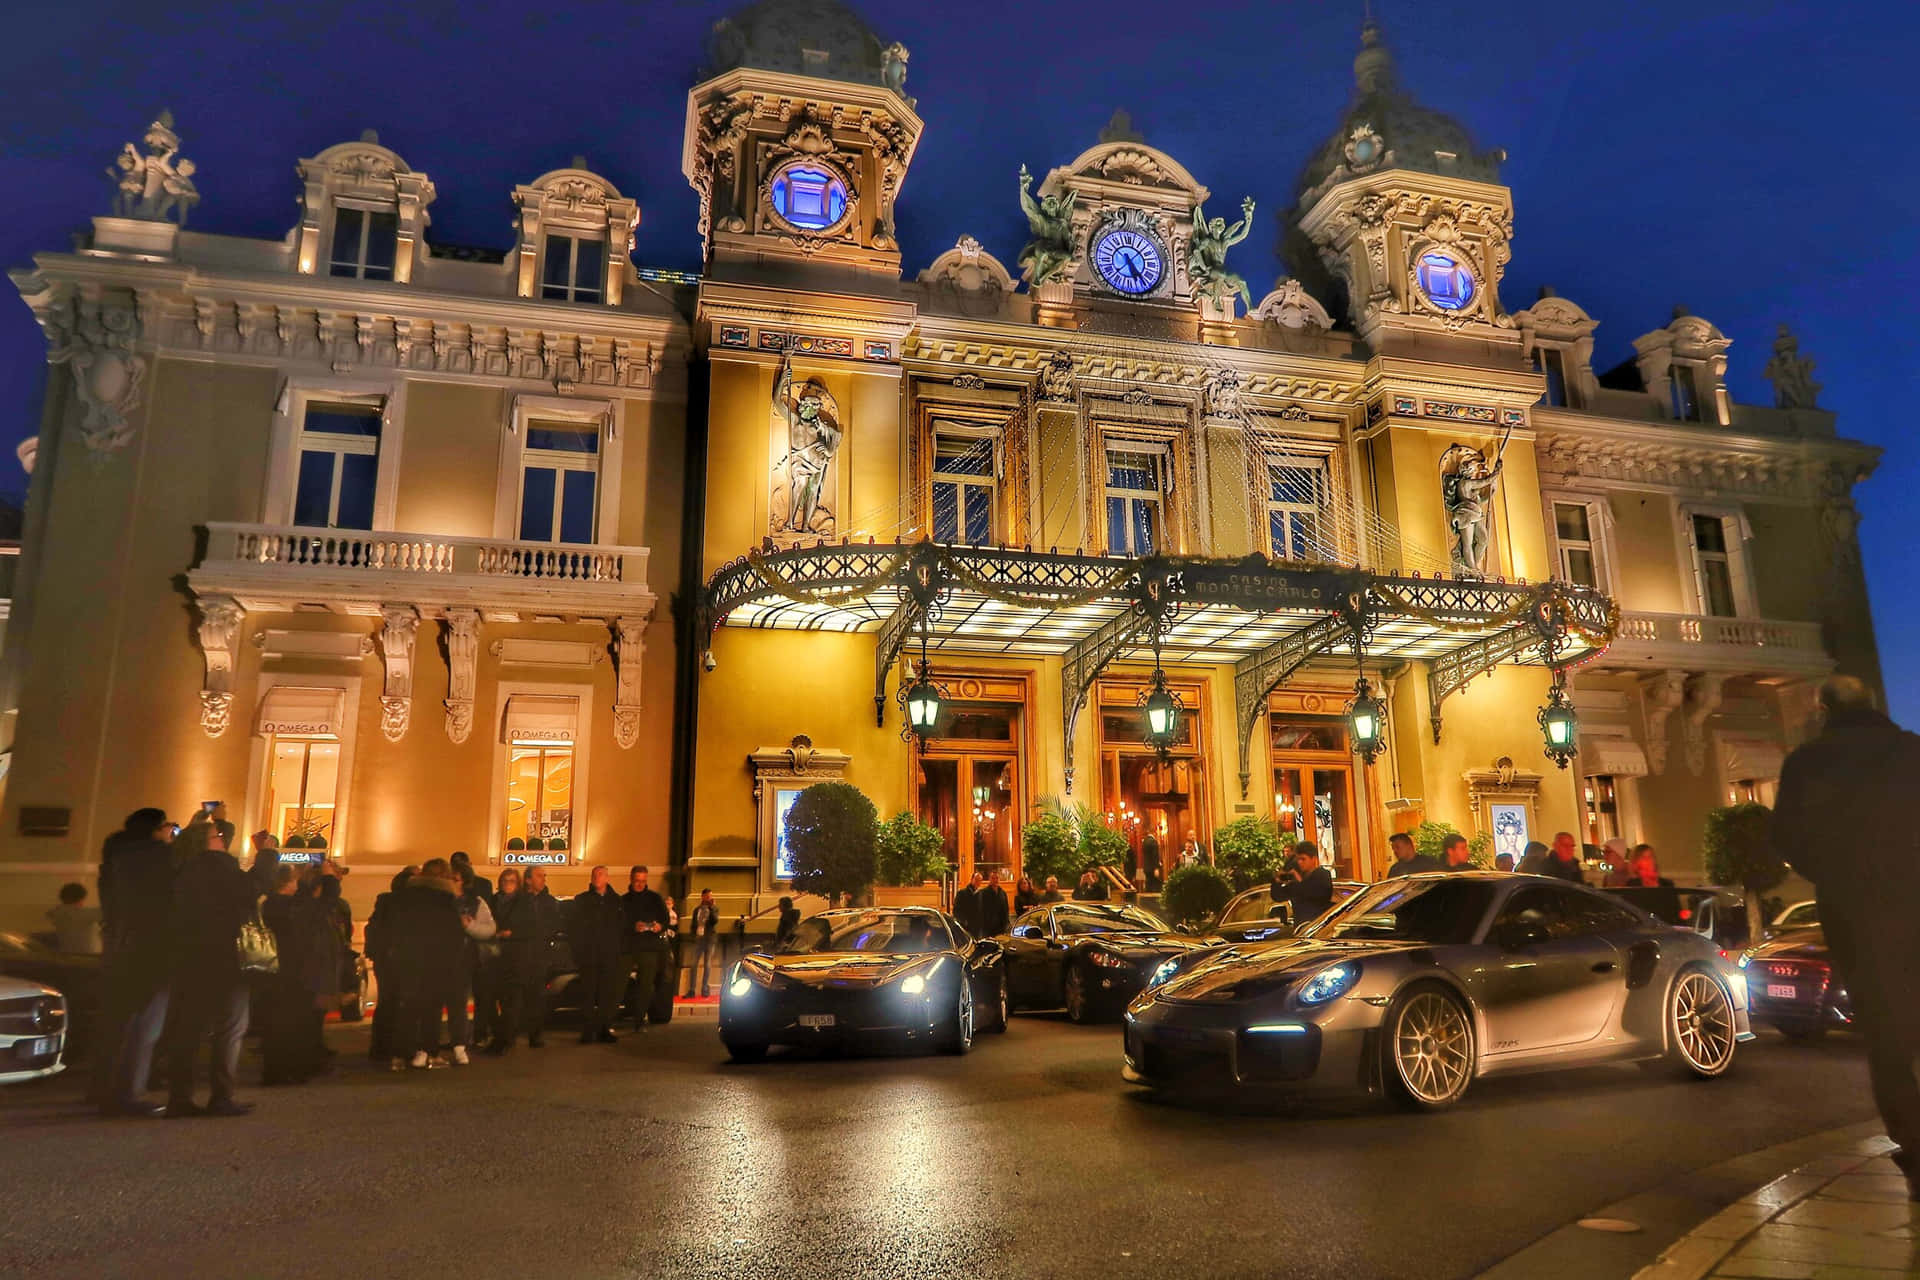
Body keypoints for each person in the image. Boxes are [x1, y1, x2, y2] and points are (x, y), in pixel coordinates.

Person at [1772, 676, 1920, 1200]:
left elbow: (1785, 837)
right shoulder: (1911, 753)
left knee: (1886, 1033)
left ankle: (1916, 1147)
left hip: (1854, 908)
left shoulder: (1808, 763)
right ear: (1874, 705)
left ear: (1822, 707)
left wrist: (1833, 872)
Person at [164, 821, 261, 1117]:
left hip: (187, 958)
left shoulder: (179, 869)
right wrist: (266, 855)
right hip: (223, 959)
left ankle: (179, 1098)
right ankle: (221, 1096)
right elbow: (251, 889)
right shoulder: (218, 866)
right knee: (230, 1027)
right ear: (207, 842)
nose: (222, 840)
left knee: (188, 1030)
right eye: (217, 836)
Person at [94, 809, 177, 1116]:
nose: (170, 829)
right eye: (166, 824)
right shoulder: (158, 858)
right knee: (146, 1024)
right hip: (151, 948)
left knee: (116, 1021)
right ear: (155, 829)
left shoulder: (116, 858)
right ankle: (131, 1092)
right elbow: (171, 899)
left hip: (120, 945)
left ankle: (103, 1088)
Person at [383, 858, 466, 1071]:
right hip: (437, 961)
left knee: (408, 1008)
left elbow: (397, 928)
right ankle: (428, 1052)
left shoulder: (406, 897)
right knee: (432, 1009)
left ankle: (399, 1055)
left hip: (409, 959)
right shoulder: (445, 899)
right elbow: (453, 934)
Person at [259, 869, 338, 1085]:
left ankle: (273, 1071)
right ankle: (294, 1069)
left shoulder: (267, 905)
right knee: (297, 1023)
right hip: (297, 971)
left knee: (275, 1023)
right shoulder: (295, 907)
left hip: (273, 971)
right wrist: (329, 878)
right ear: (288, 883)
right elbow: (326, 903)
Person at [570, 866, 629, 1044]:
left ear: (607, 878)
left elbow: (622, 928)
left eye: (600, 874)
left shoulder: (616, 901)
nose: (597, 877)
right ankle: (588, 1031)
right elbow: (574, 928)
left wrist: (617, 950)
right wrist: (579, 950)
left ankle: (604, 1028)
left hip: (609, 955)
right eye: (594, 875)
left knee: (606, 995)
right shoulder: (581, 900)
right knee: (588, 995)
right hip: (588, 955)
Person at [363, 866, 416, 1062]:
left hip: (385, 959)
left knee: (386, 1003)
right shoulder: (408, 905)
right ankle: (398, 1048)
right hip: (399, 959)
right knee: (399, 1004)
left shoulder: (385, 900)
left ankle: (381, 1047)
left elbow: (374, 926)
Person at [515, 866, 564, 1048]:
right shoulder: (519, 900)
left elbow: (555, 924)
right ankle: (512, 1032)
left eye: (544, 876)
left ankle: (535, 1034)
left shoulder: (549, 902)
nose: (543, 879)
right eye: (539, 876)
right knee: (517, 996)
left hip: (540, 955)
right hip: (521, 954)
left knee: (537, 997)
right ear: (528, 880)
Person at [453, 862, 496, 1058]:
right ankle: (456, 1040)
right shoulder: (442, 901)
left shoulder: (477, 902)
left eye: (455, 879)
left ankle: (473, 1037)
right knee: (455, 1000)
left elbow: (489, 929)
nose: (451, 883)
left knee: (476, 998)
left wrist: (469, 927)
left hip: (471, 955)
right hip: (448, 956)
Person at [622, 866, 671, 1033]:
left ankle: (639, 1020)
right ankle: (608, 1020)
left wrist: (659, 926)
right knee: (619, 982)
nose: (640, 885)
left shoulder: (655, 898)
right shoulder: (624, 900)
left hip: (649, 947)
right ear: (631, 879)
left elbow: (665, 920)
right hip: (628, 947)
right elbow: (618, 923)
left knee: (646, 985)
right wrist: (632, 927)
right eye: (637, 881)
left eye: (643, 881)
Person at [482, 868, 524, 1053]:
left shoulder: (523, 902)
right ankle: (498, 1035)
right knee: (490, 998)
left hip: (514, 956)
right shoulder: (492, 900)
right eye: (504, 880)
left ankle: (505, 1039)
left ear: (518, 883)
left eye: (512, 880)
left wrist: (512, 933)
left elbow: (529, 927)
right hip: (493, 955)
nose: (507, 883)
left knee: (510, 1001)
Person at [1270, 842, 1334, 924]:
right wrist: (1276, 881)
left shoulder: (1322, 875)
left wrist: (1298, 879)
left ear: (1313, 859)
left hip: (1317, 926)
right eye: (1298, 859)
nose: (1300, 862)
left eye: (1303, 859)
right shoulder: (1296, 880)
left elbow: (1315, 894)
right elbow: (1278, 896)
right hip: (1300, 927)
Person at [684, 888, 721, 999]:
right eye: (707, 896)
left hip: (709, 939)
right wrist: (692, 935)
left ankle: (705, 989)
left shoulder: (714, 908)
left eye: (711, 896)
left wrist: (711, 907)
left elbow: (715, 921)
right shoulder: (697, 910)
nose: (709, 898)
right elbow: (693, 923)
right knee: (693, 964)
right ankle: (691, 990)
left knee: (707, 964)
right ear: (703, 896)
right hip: (698, 939)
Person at [48, 882, 103, 954]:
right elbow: (110, 913)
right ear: (81, 898)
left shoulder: (56, 913)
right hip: (88, 957)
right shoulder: (84, 914)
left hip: (66, 955)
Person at [1518, 832, 1586, 882]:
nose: (1569, 849)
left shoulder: (1575, 865)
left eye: (1572, 846)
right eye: (1565, 846)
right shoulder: (1545, 867)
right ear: (1555, 846)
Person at [978, 870, 1011, 938]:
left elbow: (1006, 909)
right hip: (988, 927)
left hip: (1001, 926)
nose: (995, 880)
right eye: (993, 878)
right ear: (989, 879)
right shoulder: (983, 893)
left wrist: (1006, 922)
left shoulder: (1002, 893)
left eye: (997, 878)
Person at [952, 872, 983, 937]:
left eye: (980, 880)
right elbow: (956, 910)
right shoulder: (962, 893)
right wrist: (964, 921)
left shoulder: (981, 894)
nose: (978, 882)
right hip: (965, 927)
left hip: (977, 928)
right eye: (976, 880)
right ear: (972, 880)